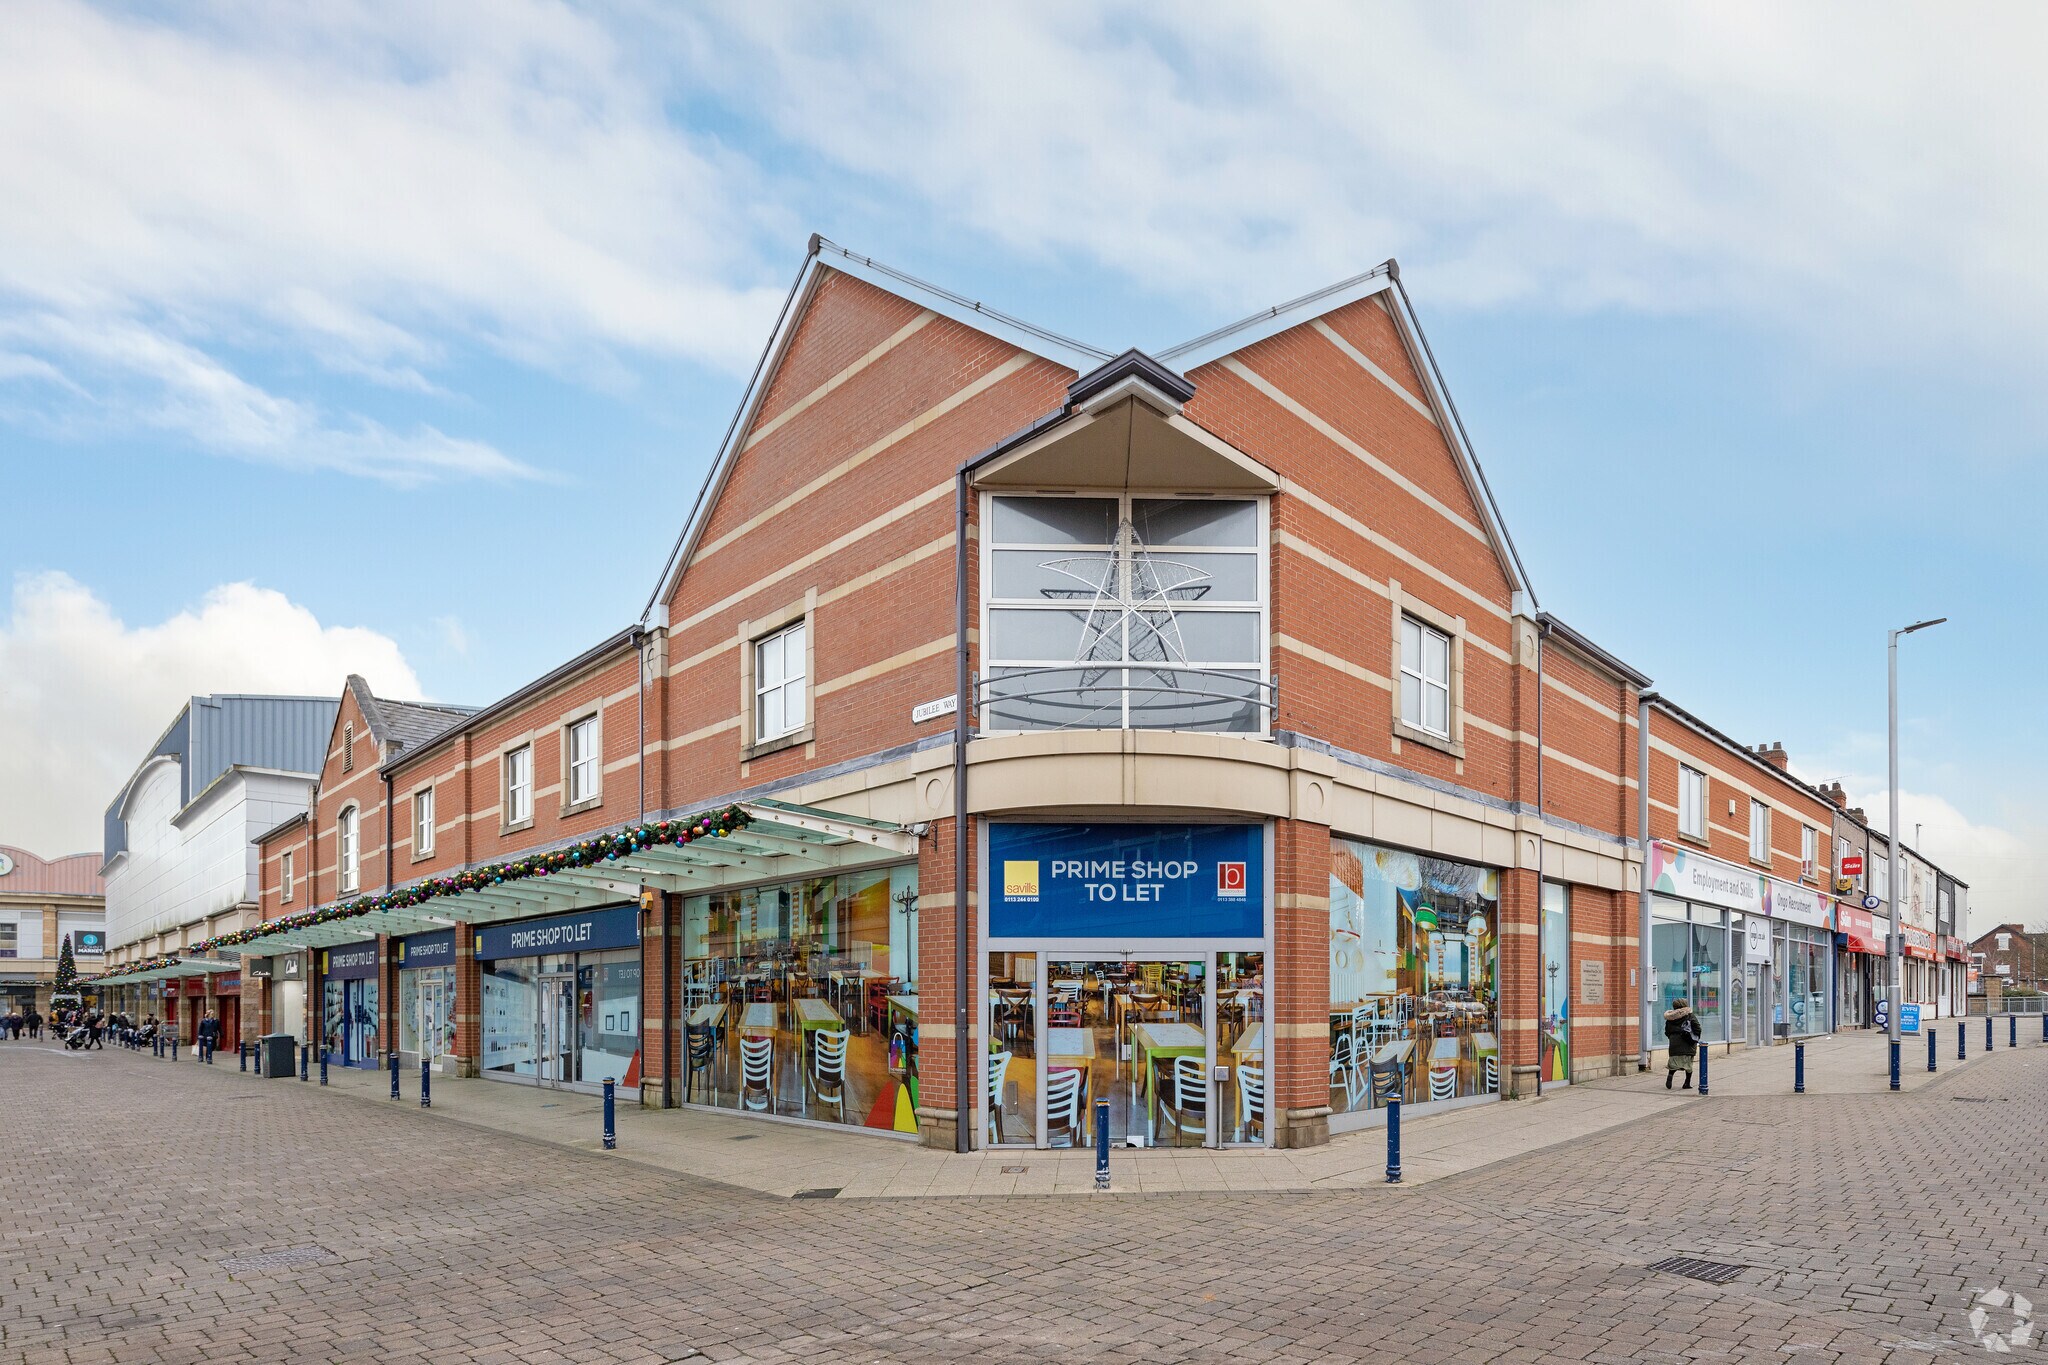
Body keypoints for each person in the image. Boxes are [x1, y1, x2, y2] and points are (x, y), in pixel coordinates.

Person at [1664, 997, 1701, 1090]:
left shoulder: (1670, 1017)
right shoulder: (1689, 1015)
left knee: (1673, 1062)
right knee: (1688, 1065)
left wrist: (1672, 1037)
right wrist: (1695, 1036)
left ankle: (1670, 1075)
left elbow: (1667, 1031)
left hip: (1674, 1043)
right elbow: (1697, 1028)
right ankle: (1686, 1083)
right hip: (1687, 1043)